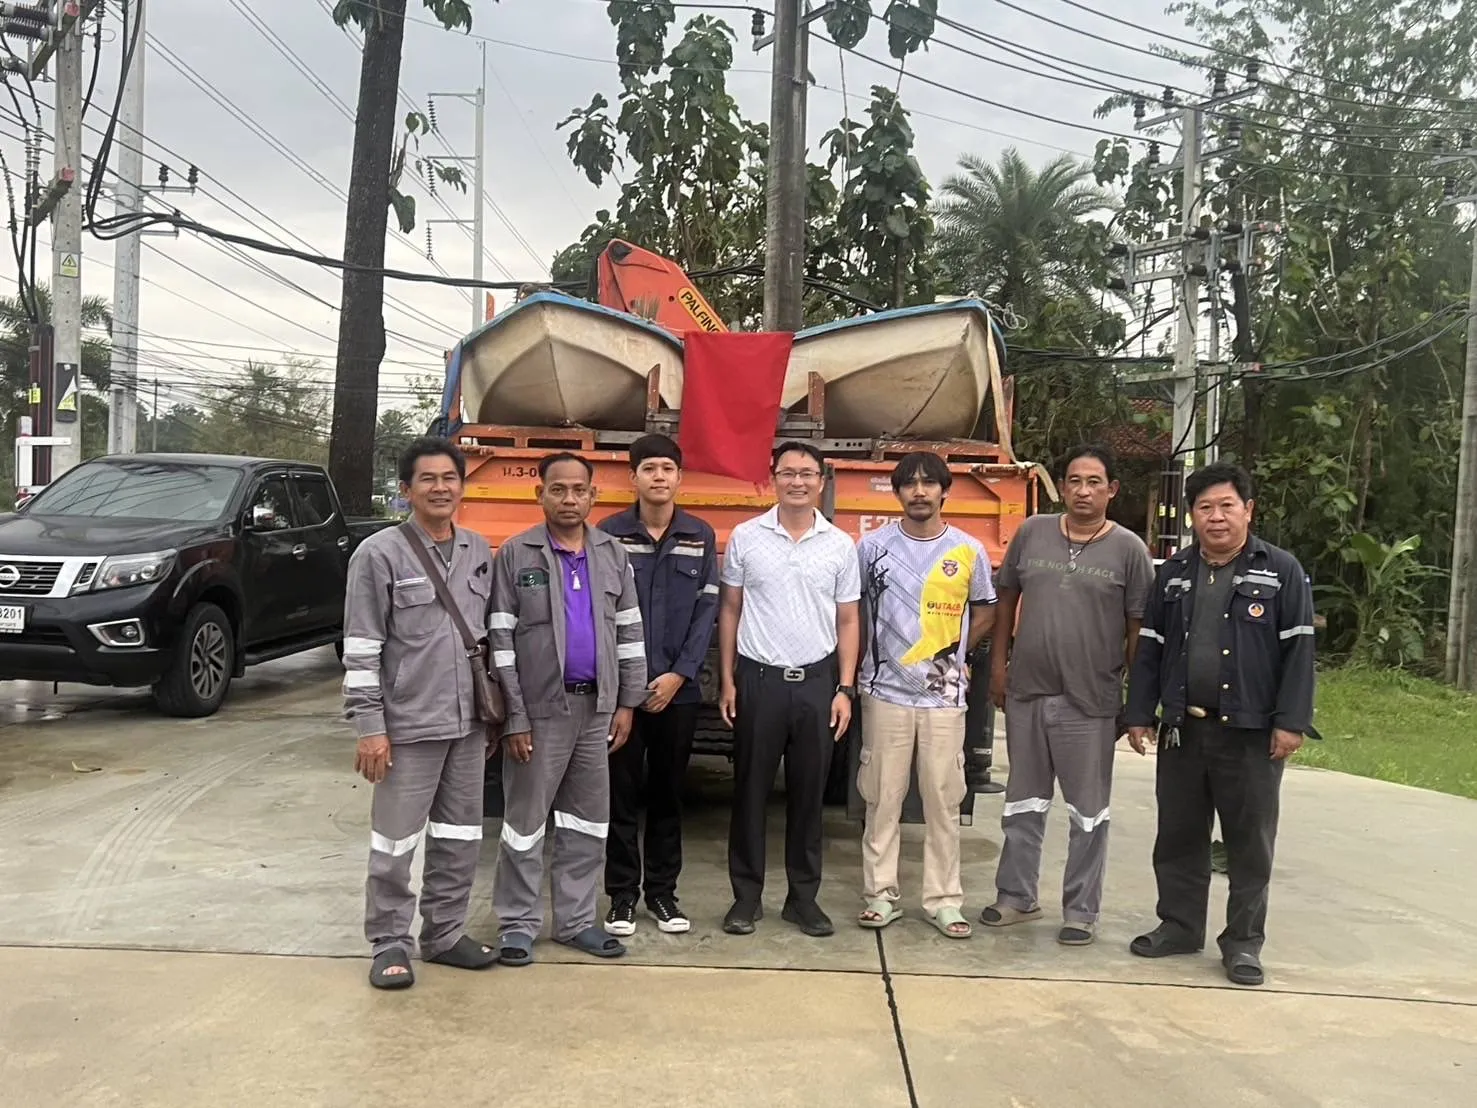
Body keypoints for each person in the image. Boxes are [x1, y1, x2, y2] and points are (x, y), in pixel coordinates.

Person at [1124, 462, 1315, 988]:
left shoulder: (1281, 571)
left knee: (1248, 842)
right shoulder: (1174, 574)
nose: (1216, 517)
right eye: (1205, 508)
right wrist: (1140, 713)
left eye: (1227, 506)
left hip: (1250, 734)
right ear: (1191, 516)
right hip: (1184, 729)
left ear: (1248, 510)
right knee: (1179, 835)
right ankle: (1180, 926)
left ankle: (1244, 944)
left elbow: (1299, 652)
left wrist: (1291, 722)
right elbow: (1150, 651)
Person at [343, 437, 499, 990]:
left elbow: (490, 636)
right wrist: (369, 728)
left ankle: (445, 934)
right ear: (406, 490)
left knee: (460, 838)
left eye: (449, 478)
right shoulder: (379, 554)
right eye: (427, 480)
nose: (440, 488)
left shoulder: (480, 551)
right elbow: (361, 649)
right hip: (406, 727)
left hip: (468, 725)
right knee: (395, 842)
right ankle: (389, 941)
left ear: (463, 486)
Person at [983, 442, 1155, 945]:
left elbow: (1137, 631)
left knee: (1088, 811)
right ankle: (1016, 897)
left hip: (1090, 702)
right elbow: (1006, 599)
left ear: (1112, 490)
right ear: (1063, 485)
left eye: (1094, 482)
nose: (1083, 491)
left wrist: (1131, 699)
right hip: (1028, 692)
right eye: (1075, 480)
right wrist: (999, 668)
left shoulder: (1129, 550)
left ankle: (1081, 910)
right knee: (1023, 802)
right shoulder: (1033, 532)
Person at [486, 452, 648, 965]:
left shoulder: (612, 554)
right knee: (525, 822)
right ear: (541, 494)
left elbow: (629, 632)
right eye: (559, 489)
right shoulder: (517, 555)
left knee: (586, 822)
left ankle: (577, 922)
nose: (569, 499)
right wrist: (514, 715)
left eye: (579, 490)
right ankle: (517, 923)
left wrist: (628, 702)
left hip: (596, 711)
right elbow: (501, 643)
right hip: (539, 714)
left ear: (594, 496)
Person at [718, 441, 862, 938]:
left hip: (818, 685)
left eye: (807, 473)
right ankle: (746, 898)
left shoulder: (840, 545)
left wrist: (845, 688)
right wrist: (728, 678)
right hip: (759, 681)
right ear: (772, 478)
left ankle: (803, 900)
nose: (797, 481)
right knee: (750, 793)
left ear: (821, 482)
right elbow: (731, 609)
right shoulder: (745, 537)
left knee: (808, 797)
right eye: (787, 473)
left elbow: (848, 619)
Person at [855, 452, 997, 939]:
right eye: (909, 484)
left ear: (943, 491)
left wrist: (956, 655)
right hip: (883, 692)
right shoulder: (871, 548)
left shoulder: (968, 550)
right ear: (896, 493)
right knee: (883, 797)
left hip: (943, 697)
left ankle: (944, 899)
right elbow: (853, 611)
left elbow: (986, 611)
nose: (919, 492)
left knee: (943, 798)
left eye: (928, 484)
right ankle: (880, 894)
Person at [597, 434, 719, 936]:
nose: (659, 477)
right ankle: (622, 896)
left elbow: (706, 611)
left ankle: (663, 896)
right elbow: (601, 614)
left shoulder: (700, 534)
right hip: (623, 695)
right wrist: (627, 686)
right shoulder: (607, 534)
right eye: (649, 468)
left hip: (678, 692)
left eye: (668, 468)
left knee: (669, 795)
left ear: (679, 477)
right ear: (634, 477)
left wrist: (679, 674)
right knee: (620, 796)